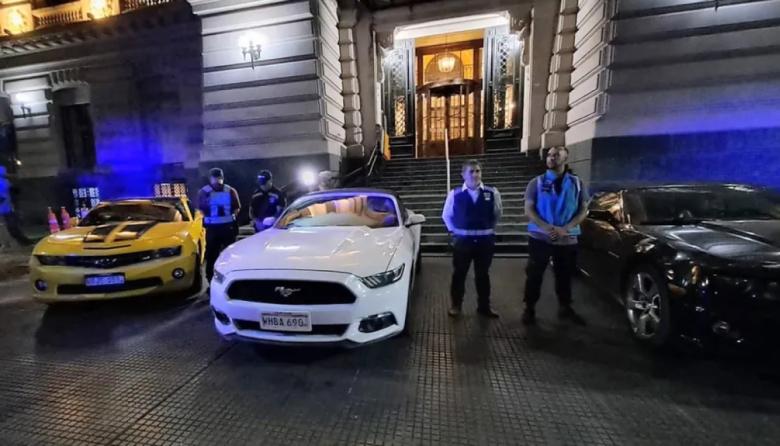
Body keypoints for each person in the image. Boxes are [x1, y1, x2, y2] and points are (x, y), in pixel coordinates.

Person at [522, 146, 590, 326]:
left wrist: (566, 228)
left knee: (565, 275)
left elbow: (583, 209)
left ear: (565, 159)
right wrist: (545, 227)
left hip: (566, 237)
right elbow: (529, 209)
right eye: (549, 155)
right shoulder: (536, 183)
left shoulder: (577, 183)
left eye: (556, 155)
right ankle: (529, 308)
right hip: (540, 237)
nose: (551, 158)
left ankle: (565, 307)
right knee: (534, 274)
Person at [442, 159, 502, 318]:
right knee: (459, 274)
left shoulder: (492, 192)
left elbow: (497, 213)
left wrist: (487, 228)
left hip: (485, 242)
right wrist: (454, 231)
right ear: (463, 175)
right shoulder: (455, 194)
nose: (475, 174)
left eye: (478, 171)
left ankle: (484, 306)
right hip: (463, 242)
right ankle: (456, 305)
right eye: (471, 171)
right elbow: (446, 215)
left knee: (483, 275)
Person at [198, 168, 241, 281]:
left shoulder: (204, 192)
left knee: (213, 256)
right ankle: (229, 278)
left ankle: (212, 279)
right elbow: (237, 209)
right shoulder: (230, 190)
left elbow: (201, 210)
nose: (217, 180)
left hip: (214, 229)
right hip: (226, 228)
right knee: (227, 255)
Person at [0, 166, 30, 250]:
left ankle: (21, 243)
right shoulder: (6, 182)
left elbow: (4, 197)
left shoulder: (3, 182)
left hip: (7, 209)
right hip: (7, 208)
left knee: (11, 227)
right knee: (10, 227)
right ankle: (19, 243)